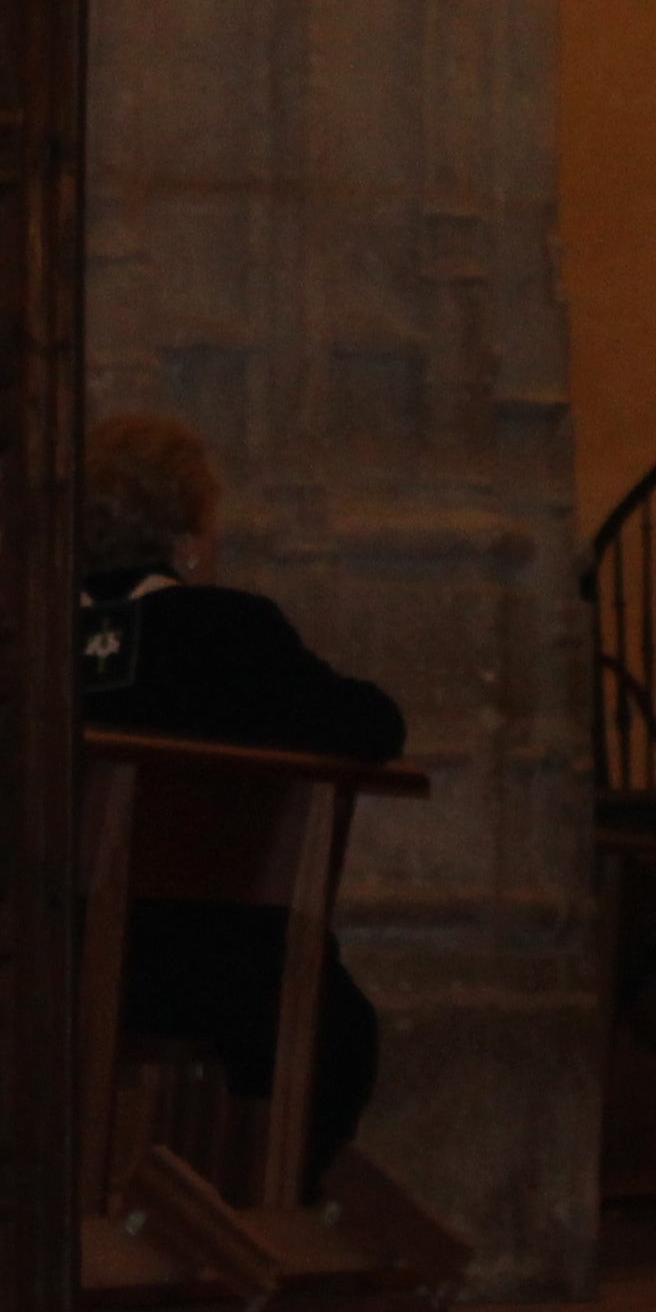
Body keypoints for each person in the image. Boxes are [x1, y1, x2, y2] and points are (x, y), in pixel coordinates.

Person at [76, 413, 406, 1199]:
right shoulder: (227, 630)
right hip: (199, 966)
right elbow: (372, 724)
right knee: (336, 1030)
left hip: (46, 954)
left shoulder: (28, 628)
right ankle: (252, 1216)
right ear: (188, 540)